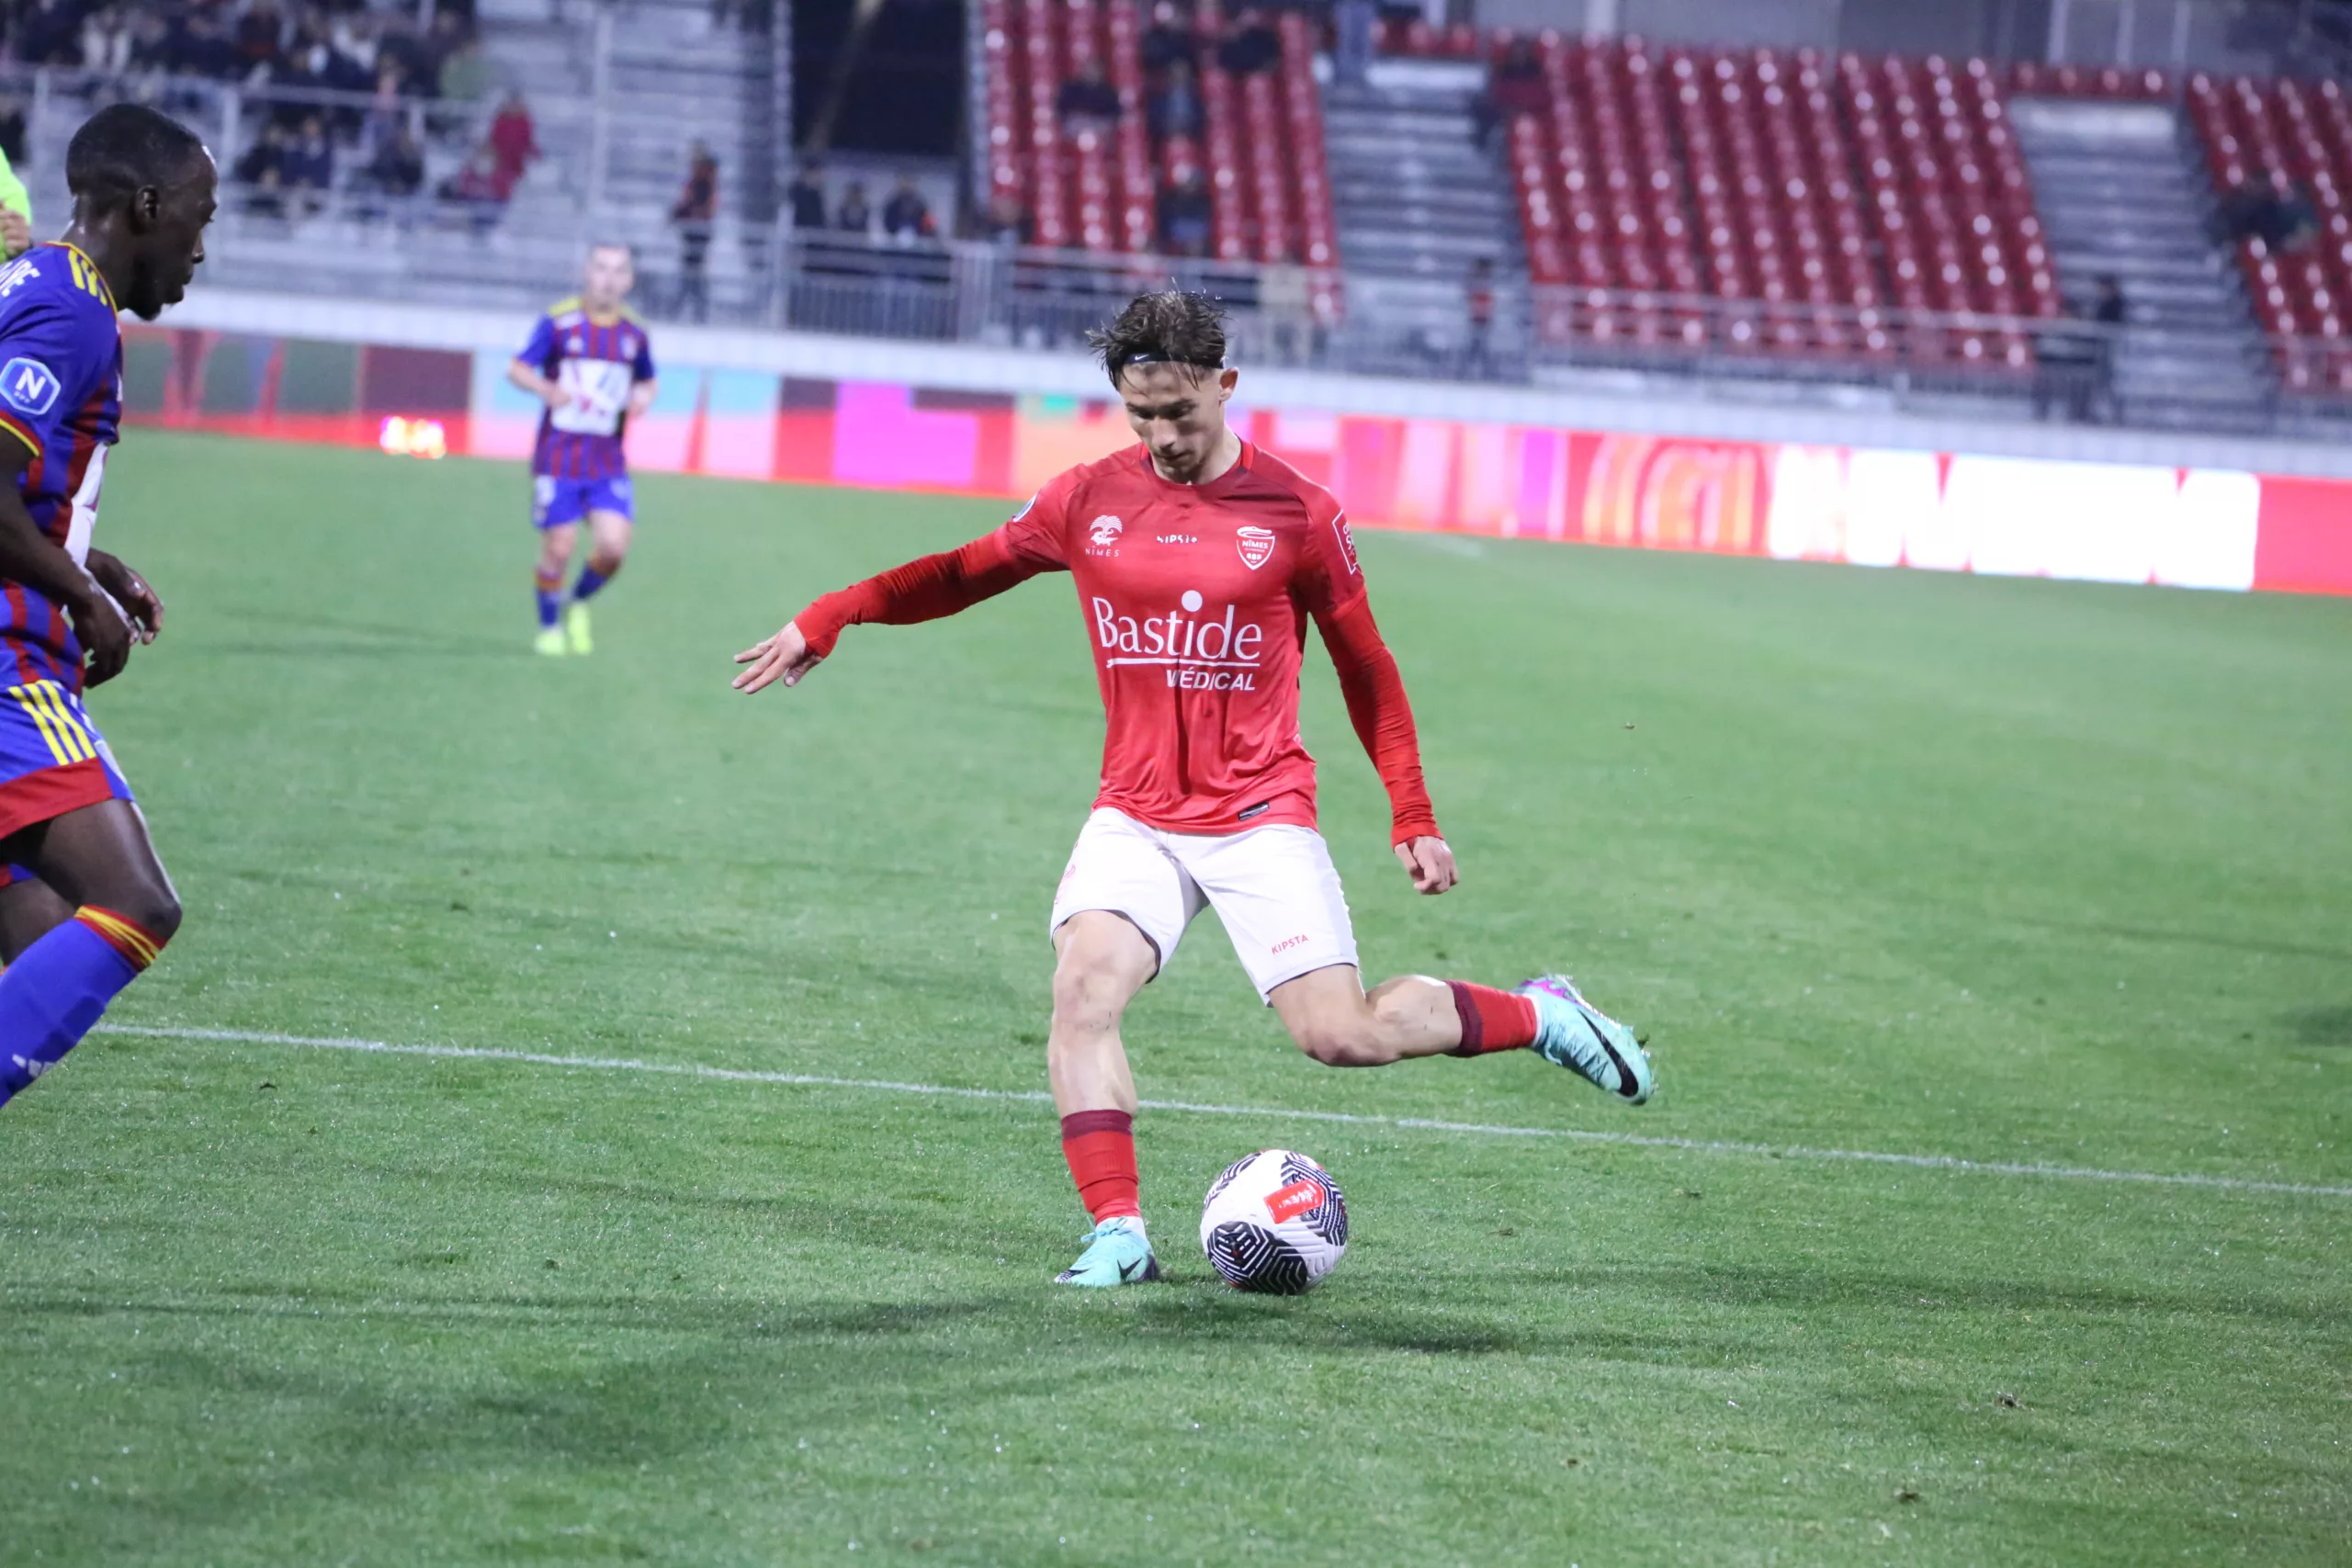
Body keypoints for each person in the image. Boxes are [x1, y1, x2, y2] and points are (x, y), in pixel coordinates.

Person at [729, 290, 1654, 1286]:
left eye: (1181, 412)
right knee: (1082, 990)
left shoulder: (1298, 513)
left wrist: (1411, 810)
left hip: (1258, 812)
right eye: (1141, 415)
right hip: (1134, 812)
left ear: (1226, 385)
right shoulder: (1085, 498)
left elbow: (1366, 666)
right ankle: (1119, 1232)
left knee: (1340, 1038)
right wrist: (835, 614)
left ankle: (1543, 1015)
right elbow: (962, 571)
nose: (1162, 435)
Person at [0, 103, 215, 1108]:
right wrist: (79, 593)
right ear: (145, 204)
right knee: (134, 903)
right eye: (197, 219)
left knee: (43, 942)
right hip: (7, 667)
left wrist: (93, 556)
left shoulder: (37, 282)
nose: (199, 251)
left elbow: (25, 480)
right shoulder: (72, 309)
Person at [506, 244, 657, 658]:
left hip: (607, 462)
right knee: (560, 545)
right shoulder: (559, 323)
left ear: (628, 280)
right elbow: (517, 368)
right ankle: (549, 625)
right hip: (558, 458)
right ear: (587, 272)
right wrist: (544, 388)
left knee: (614, 548)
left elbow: (648, 380)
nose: (608, 278)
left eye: (618, 271)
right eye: (601, 268)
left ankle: (578, 601)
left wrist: (642, 398)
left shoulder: (634, 333)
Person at [669, 141, 718, 322]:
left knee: (694, 270)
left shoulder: (704, 178)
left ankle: (692, 307)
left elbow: (692, 203)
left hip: (698, 230)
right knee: (693, 269)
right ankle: (693, 306)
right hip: (695, 230)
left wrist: (676, 215)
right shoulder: (702, 177)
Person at [1057, 59, 1123, 130]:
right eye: (1089, 69)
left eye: (1095, 70)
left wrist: (1096, 115)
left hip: (1099, 122)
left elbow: (1115, 112)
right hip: (1076, 121)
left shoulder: (1108, 91)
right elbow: (1062, 108)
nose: (1091, 72)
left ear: (1101, 73)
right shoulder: (1071, 88)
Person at [880, 174, 933, 242]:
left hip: (917, 240)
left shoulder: (921, 205)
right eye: (905, 181)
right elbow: (887, 222)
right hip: (894, 239)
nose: (907, 185)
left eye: (910, 182)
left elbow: (926, 223)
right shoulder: (892, 204)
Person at [786, 162, 827, 230]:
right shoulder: (795, 193)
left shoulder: (816, 195)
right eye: (816, 174)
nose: (818, 178)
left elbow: (820, 221)